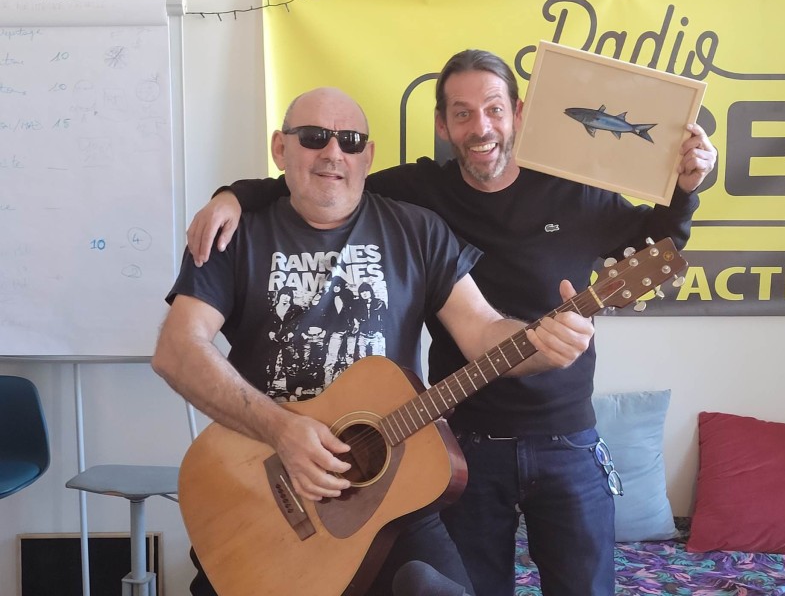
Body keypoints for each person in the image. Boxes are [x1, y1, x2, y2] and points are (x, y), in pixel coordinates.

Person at [186, 51, 717, 596]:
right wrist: (234, 195)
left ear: (518, 113)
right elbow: (328, 178)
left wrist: (685, 189)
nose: (480, 127)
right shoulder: (419, 195)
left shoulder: (573, 188)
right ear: (442, 125)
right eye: (462, 113)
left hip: (566, 437)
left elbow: (656, 244)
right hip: (457, 442)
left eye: (493, 109)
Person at [152, 85, 594, 596]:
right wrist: (282, 430)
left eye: (350, 141)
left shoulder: (418, 231)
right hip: (262, 494)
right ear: (280, 148)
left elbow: (482, 330)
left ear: (368, 156)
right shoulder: (234, 233)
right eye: (313, 137)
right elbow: (177, 350)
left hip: (389, 499)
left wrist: (541, 342)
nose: (333, 153)